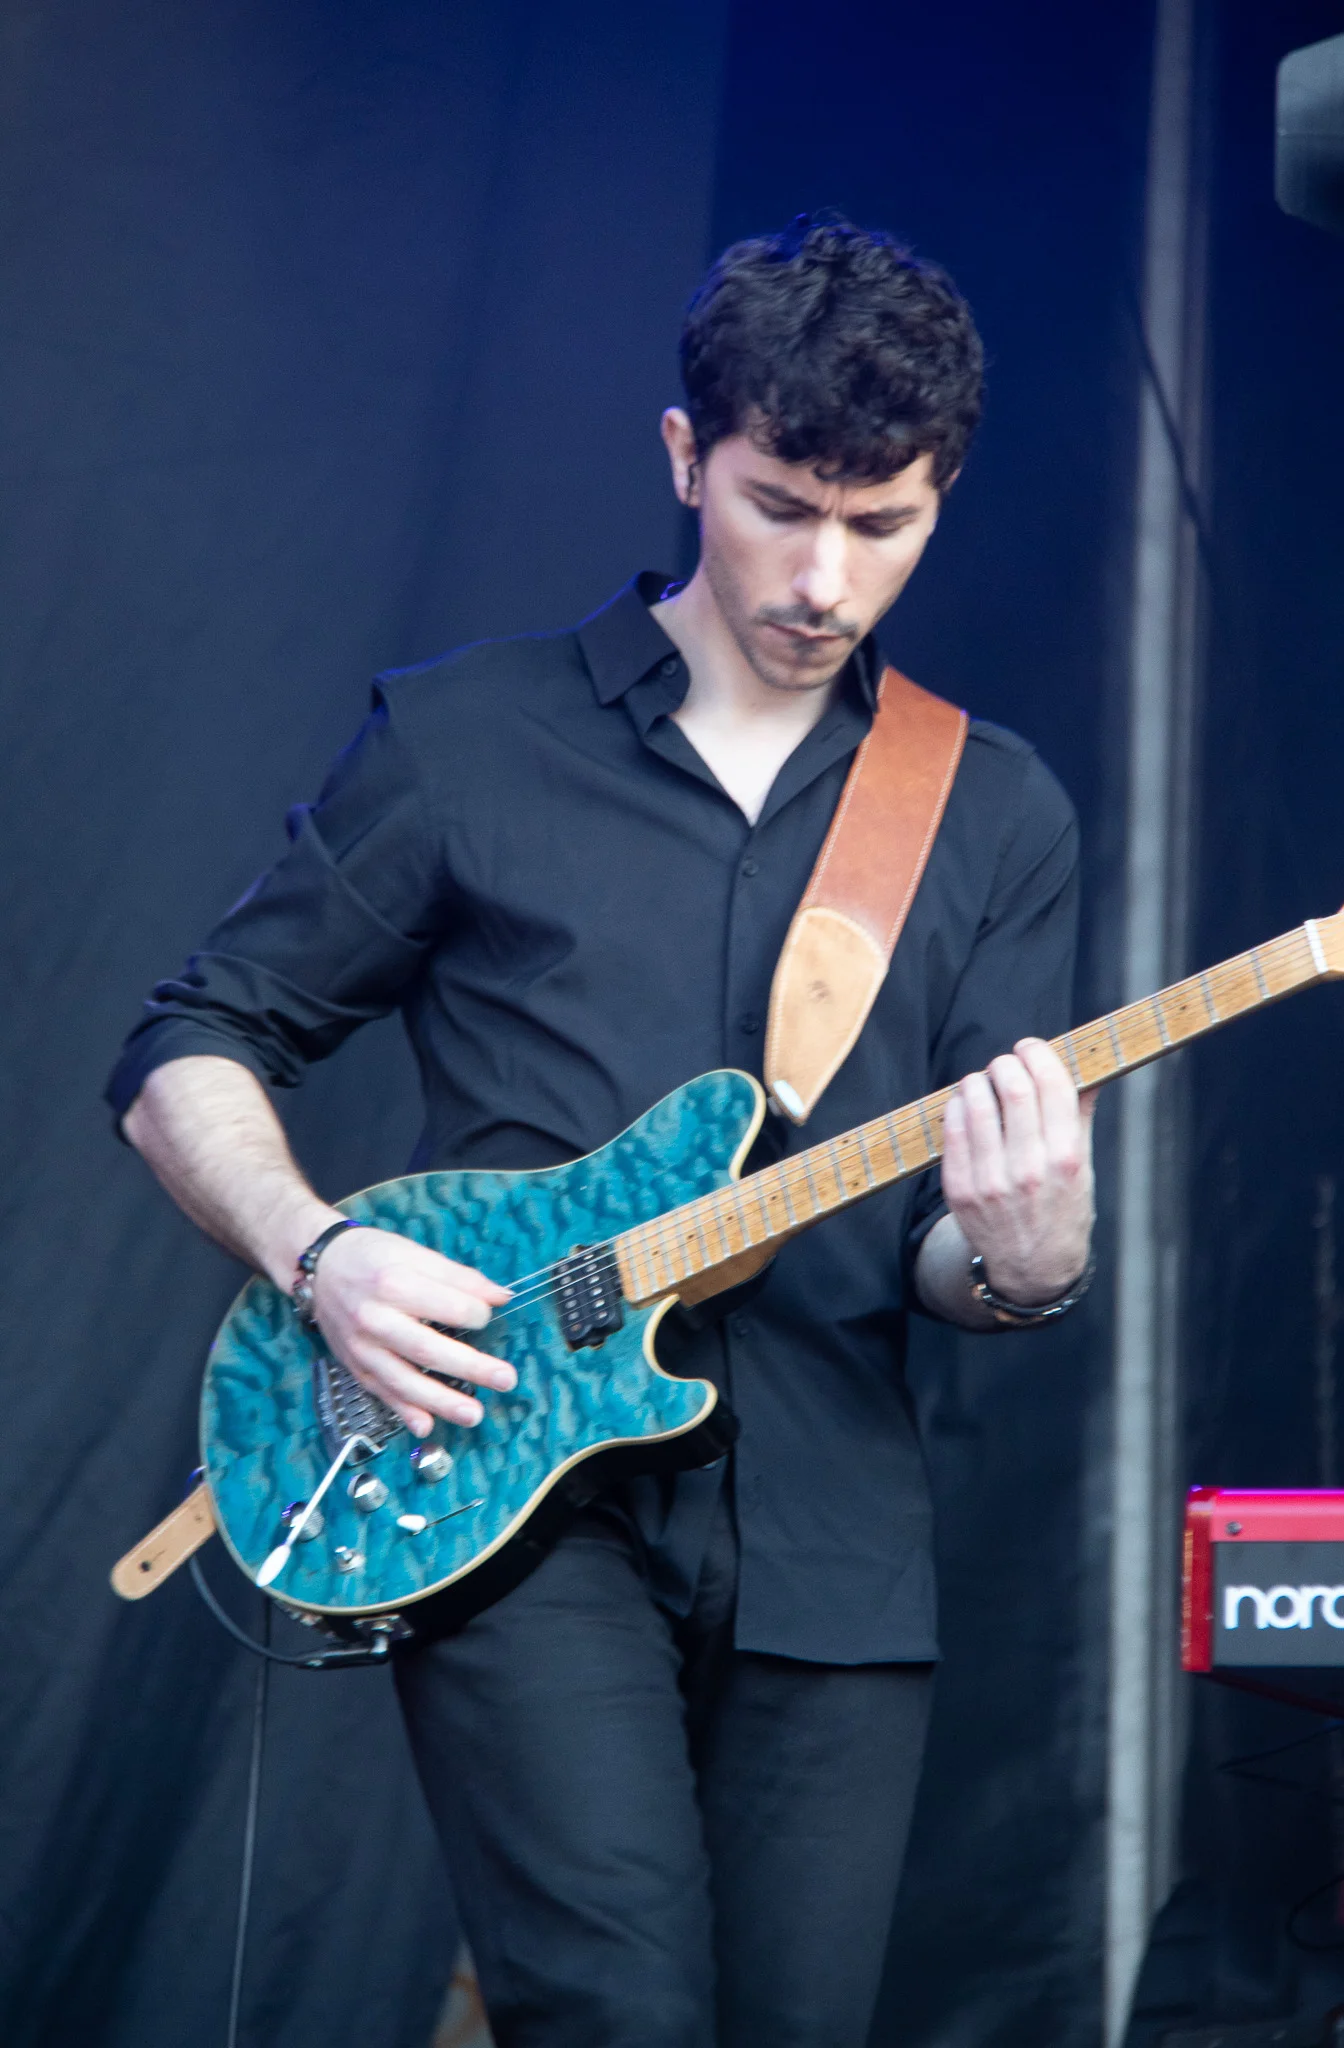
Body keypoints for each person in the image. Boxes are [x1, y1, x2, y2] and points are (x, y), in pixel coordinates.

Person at [108, 216, 1096, 2048]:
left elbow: (955, 1257)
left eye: (882, 525)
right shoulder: (468, 742)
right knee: (616, 2019)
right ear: (682, 455)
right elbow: (188, 1044)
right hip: (511, 1500)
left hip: (831, 1536)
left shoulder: (992, 807)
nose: (825, 577)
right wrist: (319, 1255)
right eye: (780, 505)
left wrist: (1023, 1263)